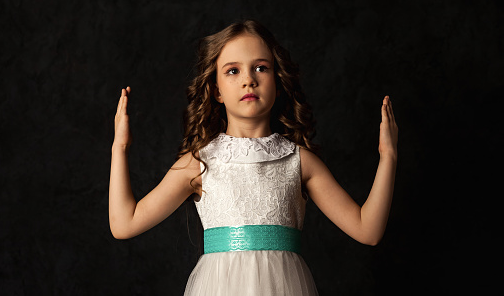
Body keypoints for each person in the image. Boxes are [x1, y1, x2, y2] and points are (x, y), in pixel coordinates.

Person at [109, 19, 398, 295]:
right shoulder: (199, 162)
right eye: (233, 71)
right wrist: (119, 149)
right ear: (216, 90)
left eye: (261, 68)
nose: (248, 79)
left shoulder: (299, 161)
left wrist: (388, 156)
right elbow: (124, 224)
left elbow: (367, 230)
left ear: (278, 80)